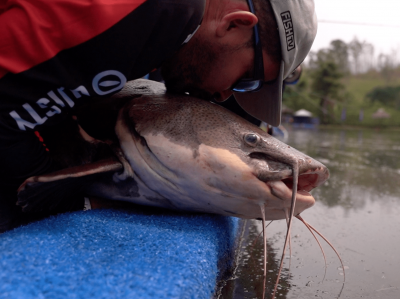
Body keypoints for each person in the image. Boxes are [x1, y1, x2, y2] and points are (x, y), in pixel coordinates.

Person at [0, 0, 317, 232]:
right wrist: (60, 200)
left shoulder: (163, 29)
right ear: (233, 24)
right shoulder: (158, 12)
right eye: (246, 80)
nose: (225, 96)